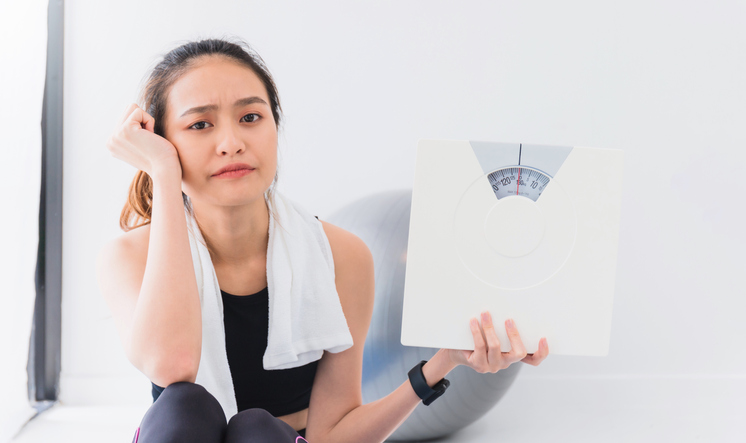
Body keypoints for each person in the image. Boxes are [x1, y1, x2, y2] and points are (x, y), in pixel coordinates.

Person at [97, 37, 549, 443]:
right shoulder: (131, 256)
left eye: (250, 117)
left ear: (275, 128)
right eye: (200, 126)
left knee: (257, 430)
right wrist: (162, 173)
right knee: (183, 406)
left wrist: (445, 361)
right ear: (160, 142)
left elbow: (335, 434)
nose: (231, 142)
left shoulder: (342, 257)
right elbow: (174, 366)